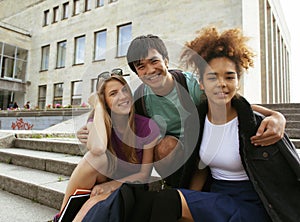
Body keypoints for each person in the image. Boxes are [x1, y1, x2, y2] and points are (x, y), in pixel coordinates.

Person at [77, 34, 286, 188]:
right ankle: (176, 187)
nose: (149, 70)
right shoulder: (142, 99)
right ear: (137, 73)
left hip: (205, 147)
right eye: (141, 67)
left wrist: (275, 115)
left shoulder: (190, 86)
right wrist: (90, 129)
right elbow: (120, 122)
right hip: (175, 157)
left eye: (154, 61)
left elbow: (229, 102)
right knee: (165, 145)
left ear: (166, 61)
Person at [174, 26, 300, 222]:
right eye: (212, 77)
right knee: (171, 203)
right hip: (217, 197)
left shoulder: (259, 125)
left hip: (252, 204)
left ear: (238, 81)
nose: (221, 83)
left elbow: (288, 175)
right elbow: (201, 168)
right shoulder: (197, 122)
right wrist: (188, 205)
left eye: (229, 76)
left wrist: (277, 116)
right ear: (201, 83)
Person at [56, 72, 160, 221]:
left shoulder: (147, 126)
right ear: (106, 103)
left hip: (131, 185)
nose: (123, 96)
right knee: (96, 158)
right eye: (113, 94)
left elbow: (144, 174)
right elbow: (97, 149)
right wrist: (98, 105)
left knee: (91, 204)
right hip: (105, 176)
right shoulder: (98, 120)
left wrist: (111, 185)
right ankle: (61, 216)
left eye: (124, 90)